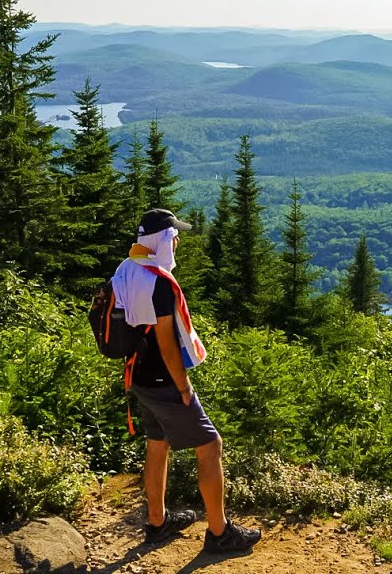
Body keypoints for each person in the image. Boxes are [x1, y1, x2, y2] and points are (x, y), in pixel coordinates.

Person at [112, 208, 262, 552]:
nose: (177, 240)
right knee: (210, 446)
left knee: (157, 442)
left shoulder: (125, 269)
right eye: (174, 235)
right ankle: (220, 533)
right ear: (162, 240)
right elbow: (166, 342)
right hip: (163, 381)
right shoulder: (159, 283)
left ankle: (157, 522)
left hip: (136, 374)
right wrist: (183, 386)